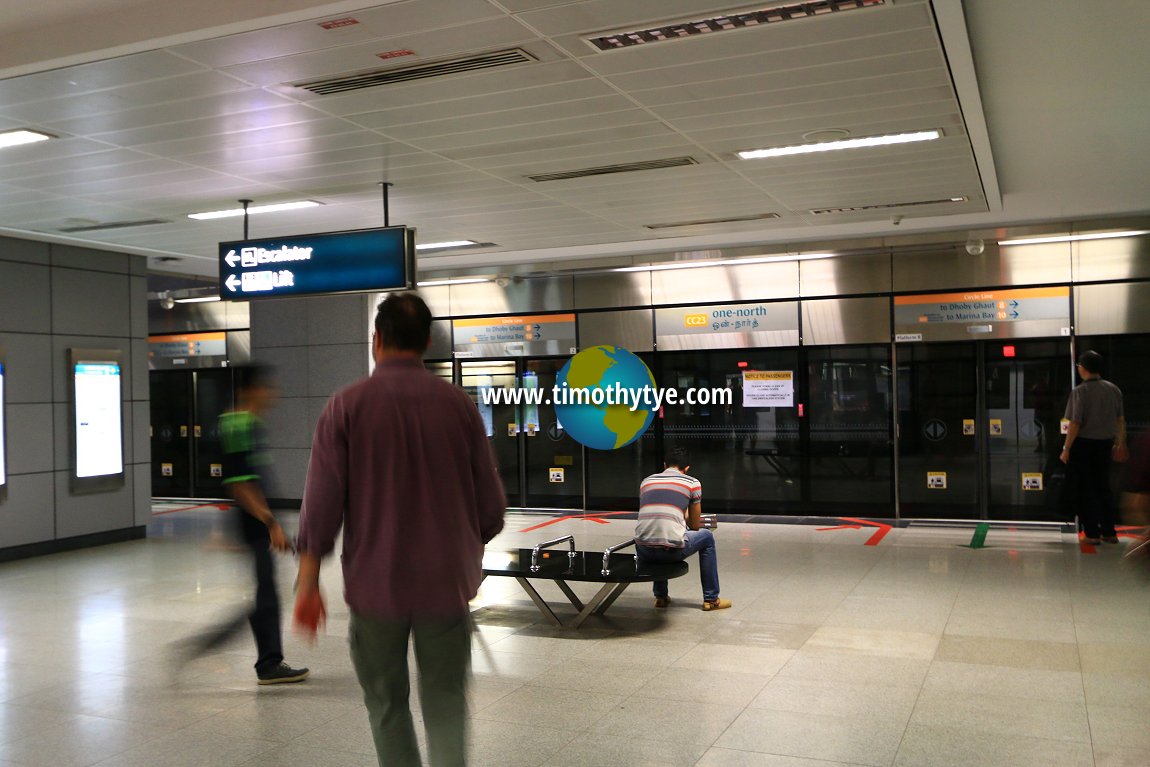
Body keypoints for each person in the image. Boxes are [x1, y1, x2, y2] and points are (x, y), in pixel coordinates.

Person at [293, 292, 506, 767]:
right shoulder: (459, 407)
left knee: (387, 706)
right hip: (445, 589)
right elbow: (491, 509)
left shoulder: (345, 406)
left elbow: (321, 507)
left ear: (377, 339)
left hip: (375, 589)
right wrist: (457, 545)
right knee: (447, 705)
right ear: (427, 341)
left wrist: (308, 585)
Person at [181, 364, 309, 685]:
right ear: (251, 389)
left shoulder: (245, 422)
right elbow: (239, 484)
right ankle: (266, 662)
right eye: (267, 387)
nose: (272, 393)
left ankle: (266, 659)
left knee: (264, 593)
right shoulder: (239, 424)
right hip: (254, 522)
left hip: (254, 520)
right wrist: (269, 523)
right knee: (264, 594)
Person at [634, 447, 731, 611]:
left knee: (658, 532)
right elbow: (694, 525)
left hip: (643, 550)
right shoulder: (692, 483)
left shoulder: (647, 481)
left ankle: (660, 597)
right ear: (687, 468)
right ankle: (711, 599)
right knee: (707, 537)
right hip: (670, 552)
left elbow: (656, 516)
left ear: (665, 465)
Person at [1061, 350, 1128, 544]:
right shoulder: (1114, 389)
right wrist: (1120, 442)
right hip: (1105, 445)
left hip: (1083, 445)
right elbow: (1120, 419)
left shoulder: (1080, 392)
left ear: (1083, 368)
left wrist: (1066, 448)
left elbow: (1075, 423)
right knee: (1104, 487)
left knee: (1085, 489)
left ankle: (1091, 533)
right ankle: (1109, 531)